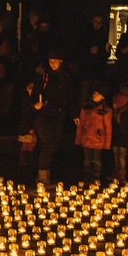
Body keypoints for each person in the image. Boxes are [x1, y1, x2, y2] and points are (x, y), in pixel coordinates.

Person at [31, 46, 73, 183]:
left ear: (61, 61)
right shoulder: (43, 74)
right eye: (50, 60)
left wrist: (74, 113)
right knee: (47, 143)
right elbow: (35, 91)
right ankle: (42, 174)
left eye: (55, 60)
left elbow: (70, 95)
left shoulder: (66, 75)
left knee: (53, 144)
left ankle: (45, 170)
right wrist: (36, 103)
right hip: (44, 113)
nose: (52, 63)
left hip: (58, 113)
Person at [75, 88, 112, 180]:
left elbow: (108, 128)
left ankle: (95, 179)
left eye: (98, 93)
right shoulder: (86, 107)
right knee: (87, 160)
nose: (95, 95)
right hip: (86, 138)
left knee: (96, 160)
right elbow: (81, 124)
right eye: (94, 93)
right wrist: (78, 139)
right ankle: (87, 178)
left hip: (98, 140)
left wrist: (107, 144)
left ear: (102, 97)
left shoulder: (105, 110)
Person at [76, 13, 110, 108]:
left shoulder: (104, 36)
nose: (97, 24)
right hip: (86, 72)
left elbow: (106, 55)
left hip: (98, 73)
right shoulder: (85, 35)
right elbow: (78, 51)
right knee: (84, 99)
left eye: (100, 22)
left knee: (95, 100)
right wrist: (89, 51)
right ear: (92, 21)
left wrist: (105, 51)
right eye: (96, 21)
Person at [111, 86, 128, 180]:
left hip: (123, 141)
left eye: (115, 102)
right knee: (116, 158)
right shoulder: (114, 115)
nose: (113, 104)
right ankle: (116, 174)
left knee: (121, 159)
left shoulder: (127, 115)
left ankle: (121, 176)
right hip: (116, 140)